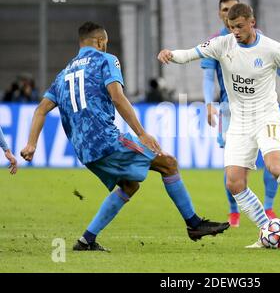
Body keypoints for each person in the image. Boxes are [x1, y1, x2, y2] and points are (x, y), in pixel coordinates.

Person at [20, 21, 229, 252]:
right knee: (168, 164)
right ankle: (194, 224)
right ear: (100, 42)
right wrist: (142, 134)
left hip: (84, 151)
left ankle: (86, 240)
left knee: (129, 185)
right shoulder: (106, 60)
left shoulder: (64, 74)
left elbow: (40, 109)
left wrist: (31, 144)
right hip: (106, 141)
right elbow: (118, 98)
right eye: (105, 43)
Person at [158, 3, 280, 247]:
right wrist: (171, 55)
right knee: (234, 182)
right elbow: (189, 54)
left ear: (252, 23)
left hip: (266, 118)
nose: (235, 32)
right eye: (231, 27)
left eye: (240, 26)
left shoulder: (272, 48)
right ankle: (267, 231)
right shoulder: (223, 44)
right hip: (239, 122)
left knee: (275, 166)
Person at [202, 0, 280, 227]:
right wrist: (209, 104)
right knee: (234, 166)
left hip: (261, 108)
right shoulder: (216, 42)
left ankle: (268, 207)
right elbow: (208, 76)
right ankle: (234, 211)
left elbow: (279, 67)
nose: (228, 13)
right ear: (220, 14)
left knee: (272, 160)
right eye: (224, 10)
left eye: (232, 9)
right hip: (230, 109)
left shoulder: (256, 41)